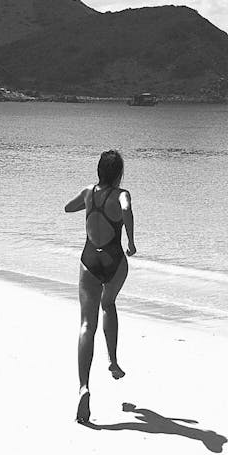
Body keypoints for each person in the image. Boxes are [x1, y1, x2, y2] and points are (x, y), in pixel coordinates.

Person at [64, 150, 136, 424]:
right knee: (109, 304)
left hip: (89, 259)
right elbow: (126, 209)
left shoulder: (87, 192)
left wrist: (89, 202)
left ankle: (83, 387)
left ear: (98, 172)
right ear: (119, 174)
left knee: (86, 325)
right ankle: (113, 361)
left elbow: (67, 208)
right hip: (114, 260)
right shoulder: (122, 194)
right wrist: (131, 241)